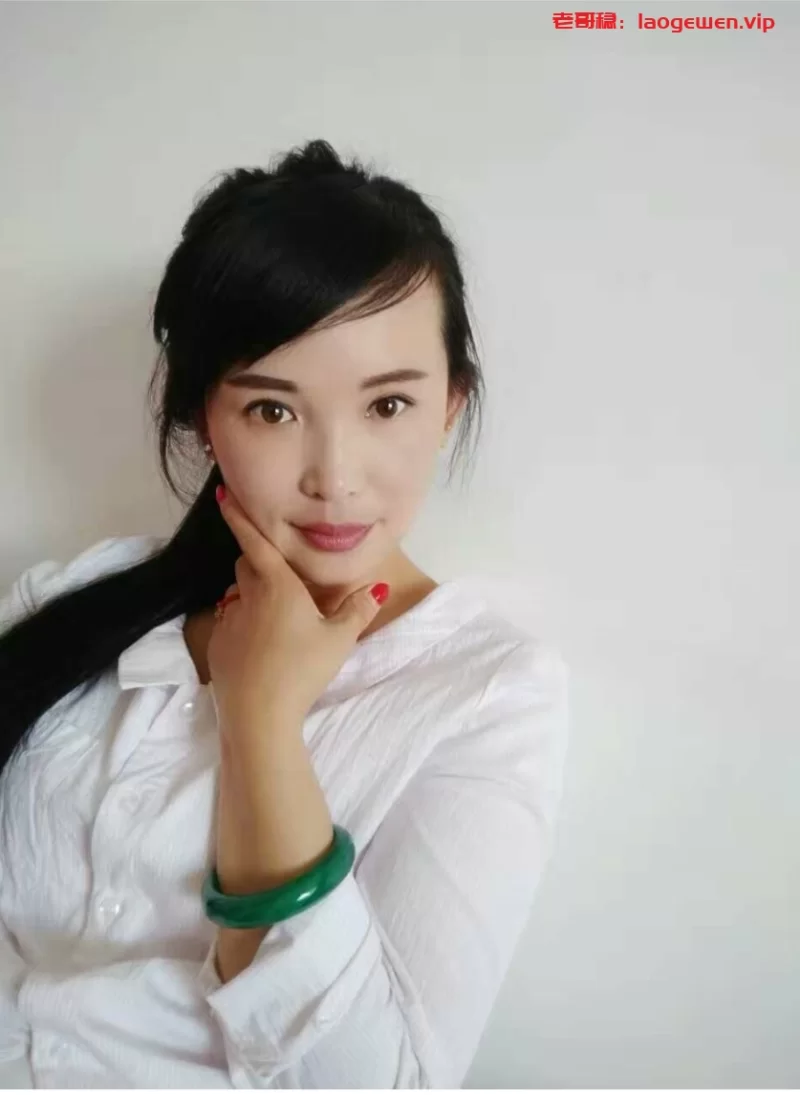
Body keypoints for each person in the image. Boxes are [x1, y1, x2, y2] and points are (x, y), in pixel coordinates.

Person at [0, 138, 570, 1089]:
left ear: (449, 405)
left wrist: (261, 719)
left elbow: (378, 1081)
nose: (335, 477)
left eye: (387, 405)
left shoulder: (487, 695)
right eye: (273, 410)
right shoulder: (67, 599)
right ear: (203, 417)